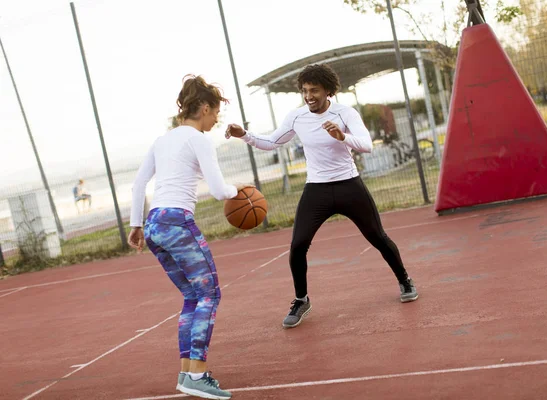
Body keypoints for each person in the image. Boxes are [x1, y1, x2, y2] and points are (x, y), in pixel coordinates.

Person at [226, 63, 418, 329]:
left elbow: (367, 145)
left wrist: (343, 137)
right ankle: (301, 299)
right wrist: (244, 135)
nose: (309, 96)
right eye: (305, 91)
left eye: (314, 90)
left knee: (377, 237)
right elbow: (272, 142)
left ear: (328, 91)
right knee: (297, 245)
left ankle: (405, 279)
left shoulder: (345, 113)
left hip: (349, 185)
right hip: (316, 189)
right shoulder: (296, 117)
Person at [128, 74, 244, 399]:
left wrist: (136, 226)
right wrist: (243, 190)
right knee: (210, 295)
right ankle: (198, 374)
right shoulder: (198, 139)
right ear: (203, 107)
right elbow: (221, 190)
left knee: (193, 296)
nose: (216, 118)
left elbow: (138, 186)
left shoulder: (162, 140)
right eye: (215, 112)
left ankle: (186, 374)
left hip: (153, 224)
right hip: (177, 221)